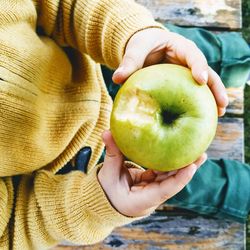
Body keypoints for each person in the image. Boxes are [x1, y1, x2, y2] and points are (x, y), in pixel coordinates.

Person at [0, 0, 244, 250]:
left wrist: (134, 32)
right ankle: (236, 189)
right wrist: (99, 202)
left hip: (112, 57)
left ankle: (238, 61)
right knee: (192, 181)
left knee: (205, 54)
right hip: (90, 172)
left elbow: (64, 6)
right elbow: (12, 224)